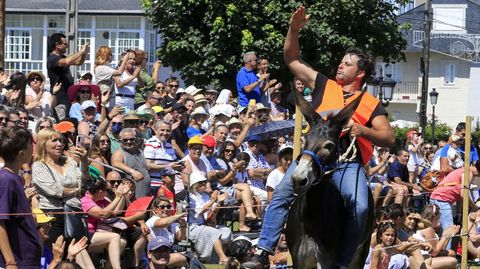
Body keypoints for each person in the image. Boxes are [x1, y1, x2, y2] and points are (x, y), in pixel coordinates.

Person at [244, 6, 395, 268]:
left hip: (347, 163)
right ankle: (263, 251)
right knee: (281, 194)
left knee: (360, 207)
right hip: (314, 156)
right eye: (342, 60)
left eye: (348, 63)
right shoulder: (324, 84)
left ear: (360, 73)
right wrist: (294, 29)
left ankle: (345, 262)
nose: (341, 64)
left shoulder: (370, 102)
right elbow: (292, 59)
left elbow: (389, 137)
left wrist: (364, 131)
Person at [31, 128, 93, 268]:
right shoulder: (39, 166)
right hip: (53, 217)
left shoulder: (69, 162)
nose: (60, 144)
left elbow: (85, 184)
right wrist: (77, 190)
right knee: (58, 256)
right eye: (54, 141)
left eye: (60, 140)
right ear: (43, 144)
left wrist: (84, 162)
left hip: (73, 215)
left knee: (76, 256)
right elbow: (54, 190)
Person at [0, 127, 42, 269]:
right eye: (32, 145)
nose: (34, 149)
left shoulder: (15, 178)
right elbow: (0, 223)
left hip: (27, 260)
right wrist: (10, 262)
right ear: (21, 154)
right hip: (16, 262)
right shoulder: (6, 180)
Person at [47, 33, 89, 120]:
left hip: (67, 97)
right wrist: (80, 51)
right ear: (57, 45)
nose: (67, 46)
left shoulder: (62, 57)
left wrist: (85, 53)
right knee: (61, 122)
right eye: (65, 44)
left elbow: (78, 62)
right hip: (59, 98)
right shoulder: (52, 59)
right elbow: (66, 61)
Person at [111, 128, 151, 198]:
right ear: (120, 141)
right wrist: (132, 171)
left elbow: (147, 166)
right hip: (131, 197)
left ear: (135, 139)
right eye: (125, 140)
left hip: (145, 194)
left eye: (131, 139)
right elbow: (116, 163)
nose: (129, 142)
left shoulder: (139, 151)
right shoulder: (120, 152)